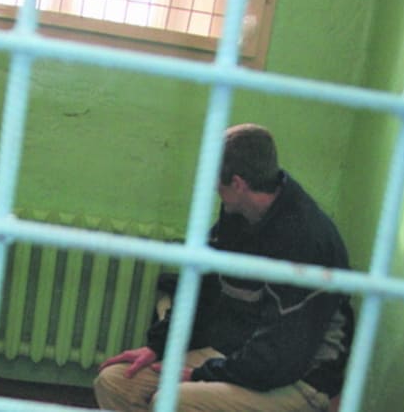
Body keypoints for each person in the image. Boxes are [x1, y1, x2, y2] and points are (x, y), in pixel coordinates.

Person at [94, 123, 355, 412]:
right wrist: (158, 346)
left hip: (300, 378)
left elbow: (278, 358)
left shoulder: (306, 241)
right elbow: (201, 286)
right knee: (115, 382)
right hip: (238, 355)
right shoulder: (238, 213)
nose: (212, 188)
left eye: (215, 179)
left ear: (238, 184)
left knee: (175, 401)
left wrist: (204, 375)